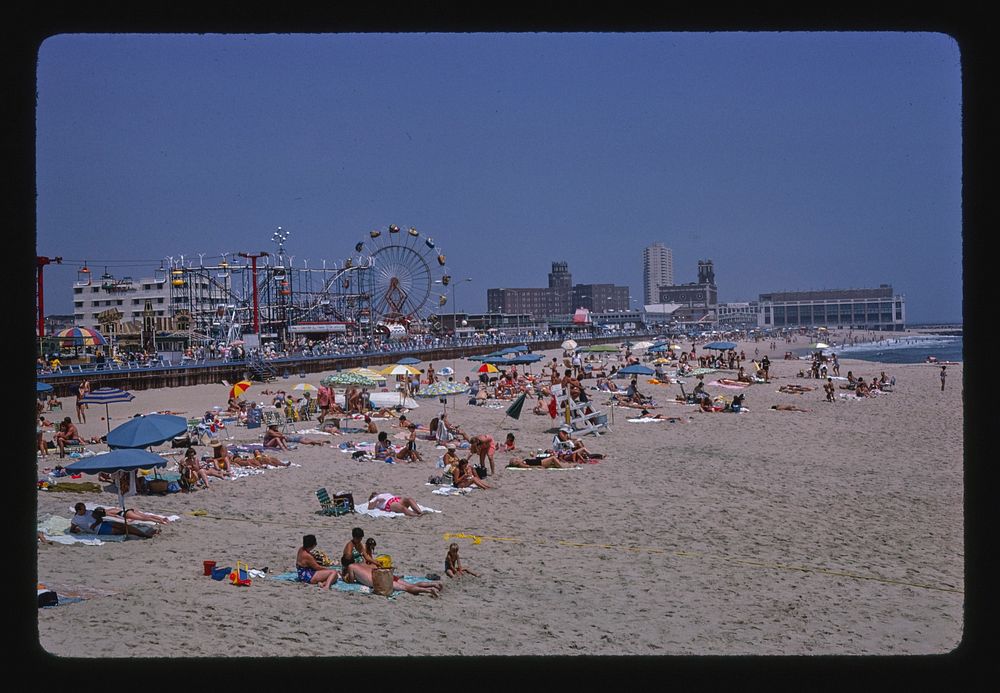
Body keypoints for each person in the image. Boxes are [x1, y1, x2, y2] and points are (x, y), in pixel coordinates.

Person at [342, 561, 441, 597]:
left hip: (380, 580)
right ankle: (433, 584)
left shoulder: (351, 567)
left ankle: (428, 590)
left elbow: (351, 581)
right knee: (410, 585)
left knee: (408, 589)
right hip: (387, 573)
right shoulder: (363, 563)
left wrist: (345, 578)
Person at [69, 504, 157, 538]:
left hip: (102, 524)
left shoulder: (89, 512)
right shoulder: (75, 520)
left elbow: (100, 519)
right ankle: (144, 535)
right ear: (79, 510)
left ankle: (145, 534)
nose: (85, 510)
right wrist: (77, 530)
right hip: (99, 530)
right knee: (121, 531)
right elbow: (72, 529)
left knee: (124, 526)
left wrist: (95, 523)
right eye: (83, 509)